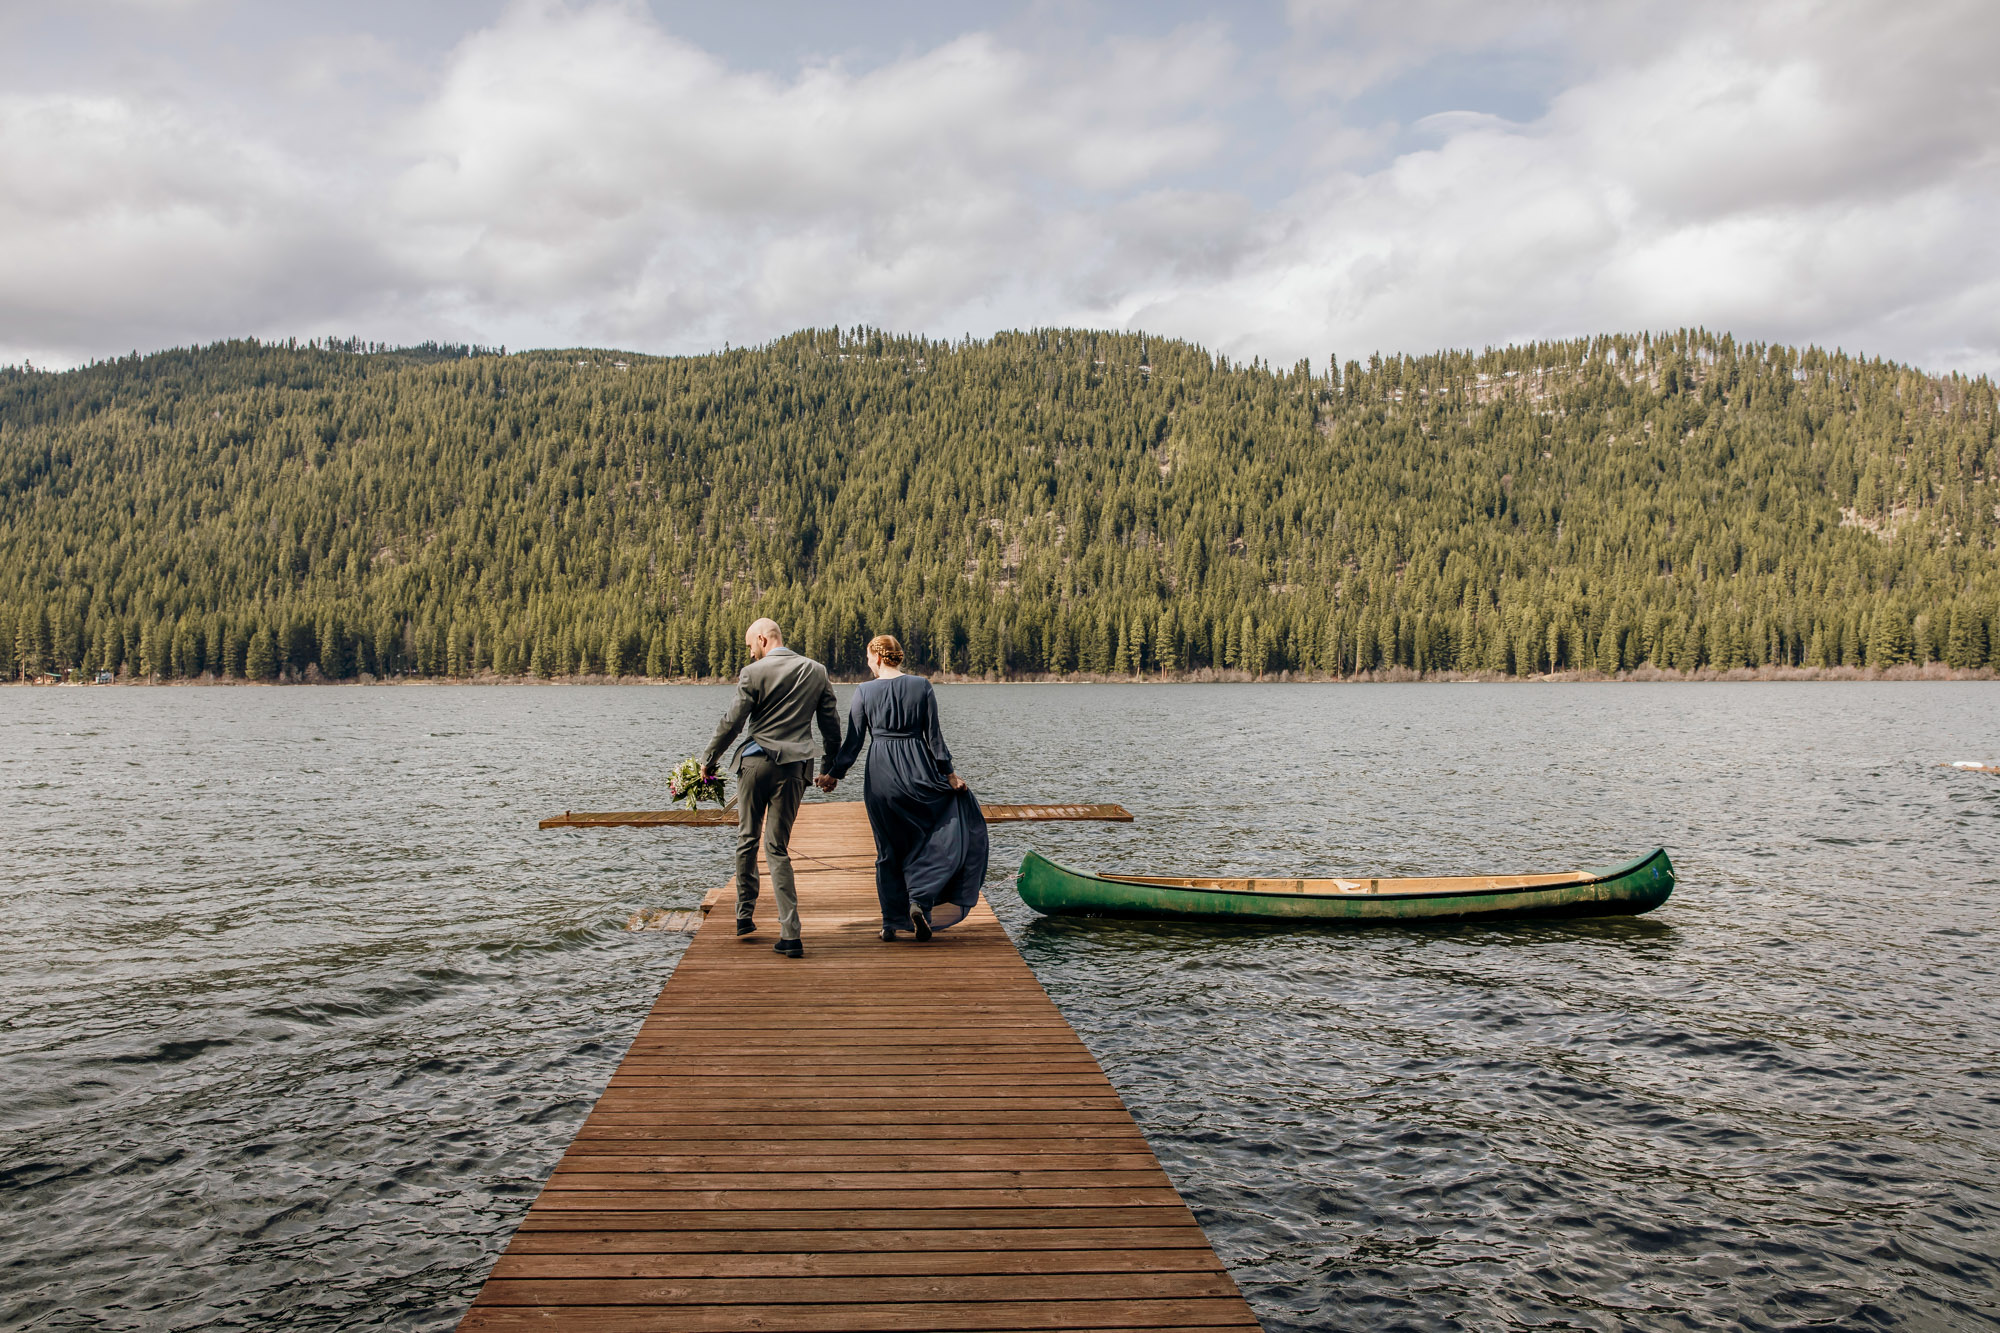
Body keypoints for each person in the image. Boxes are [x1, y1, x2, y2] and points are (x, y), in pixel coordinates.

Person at [816, 634, 988, 941]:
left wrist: (834, 774)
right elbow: (934, 739)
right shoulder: (922, 686)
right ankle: (920, 902)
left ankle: (890, 922)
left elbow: (854, 742)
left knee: (887, 849)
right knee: (930, 839)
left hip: (881, 774)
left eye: (869, 659)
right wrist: (949, 775)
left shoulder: (864, 691)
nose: (869, 664)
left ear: (879, 658)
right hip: (918, 768)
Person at [701, 617, 840, 959]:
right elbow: (831, 727)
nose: (751, 654)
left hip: (755, 765)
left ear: (763, 639)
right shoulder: (816, 671)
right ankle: (790, 933)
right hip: (794, 769)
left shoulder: (754, 673)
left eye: (751, 646)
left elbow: (732, 722)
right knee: (777, 847)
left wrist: (709, 759)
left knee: (747, 838)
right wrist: (829, 770)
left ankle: (743, 917)